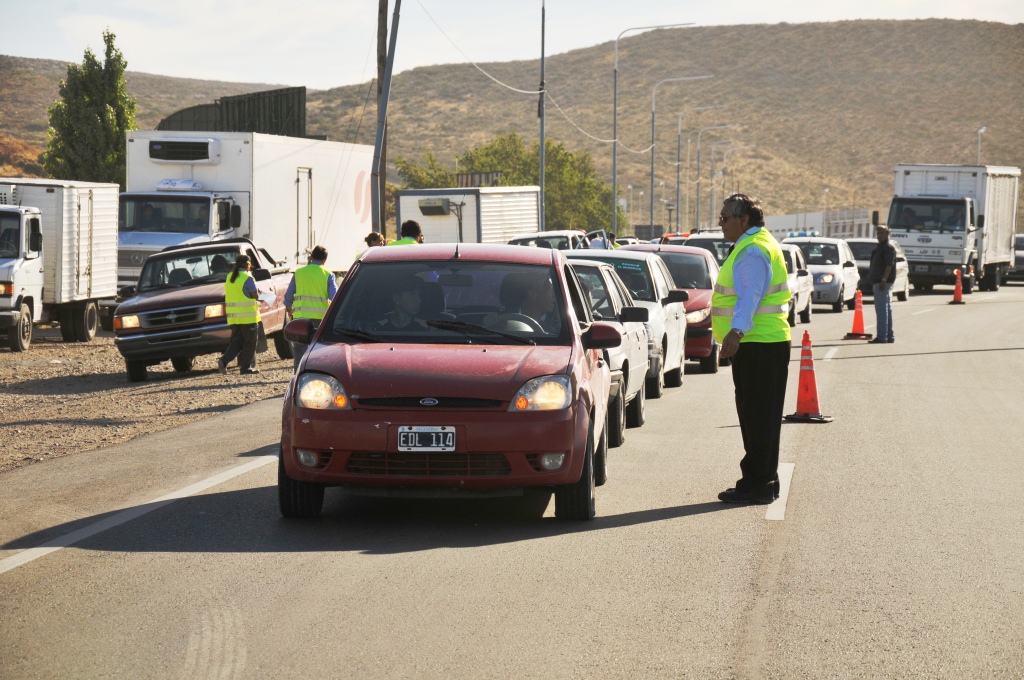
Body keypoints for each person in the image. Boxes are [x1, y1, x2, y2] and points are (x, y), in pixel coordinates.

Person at [712, 194, 792, 505]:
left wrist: (735, 332)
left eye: (725, 218)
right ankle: (763, 480)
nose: (720, 223)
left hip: (759, 344)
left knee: (758, 417)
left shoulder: (753, 250)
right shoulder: (757, 243)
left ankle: (757, 483)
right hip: (762, 344)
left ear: (744, 220)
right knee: (761, 417)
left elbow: (750, 296)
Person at [285, 245, 337, 368]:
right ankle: (316, 374)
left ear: (311, 257)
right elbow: (334, 296)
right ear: (325, 259)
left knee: (300, 347)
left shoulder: (299, 273)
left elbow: (289, 294)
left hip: (300, 316)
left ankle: (299, 373)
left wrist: (288, 307)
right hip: (320, 317)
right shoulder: (328, 274)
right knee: (318, 347)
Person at [217, 255, 261, 375]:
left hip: (234, 317)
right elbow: (255, 295)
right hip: (248, 317)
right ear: (247, 264)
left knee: (237, 342)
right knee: (250, 342)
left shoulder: (230, 277)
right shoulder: (247, 277)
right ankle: (245, 367)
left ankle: (224, 361)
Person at [488, 271, 560, 334]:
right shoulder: (499, 320)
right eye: (550, 289)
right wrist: (488, 325)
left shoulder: (560, 322)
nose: (555, 295)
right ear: (533, 295)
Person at [868, 225, 896, 344]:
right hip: (879, 281)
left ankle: (881, 337)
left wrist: (883, 279)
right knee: (886, 309)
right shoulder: (879, 248)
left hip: (882, 282)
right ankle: (889, 336)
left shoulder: (888, 248)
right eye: (878, 233)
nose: (880, 236)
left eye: (882, 234)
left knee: (881, 310)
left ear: (888, 234)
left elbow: (889, 265)